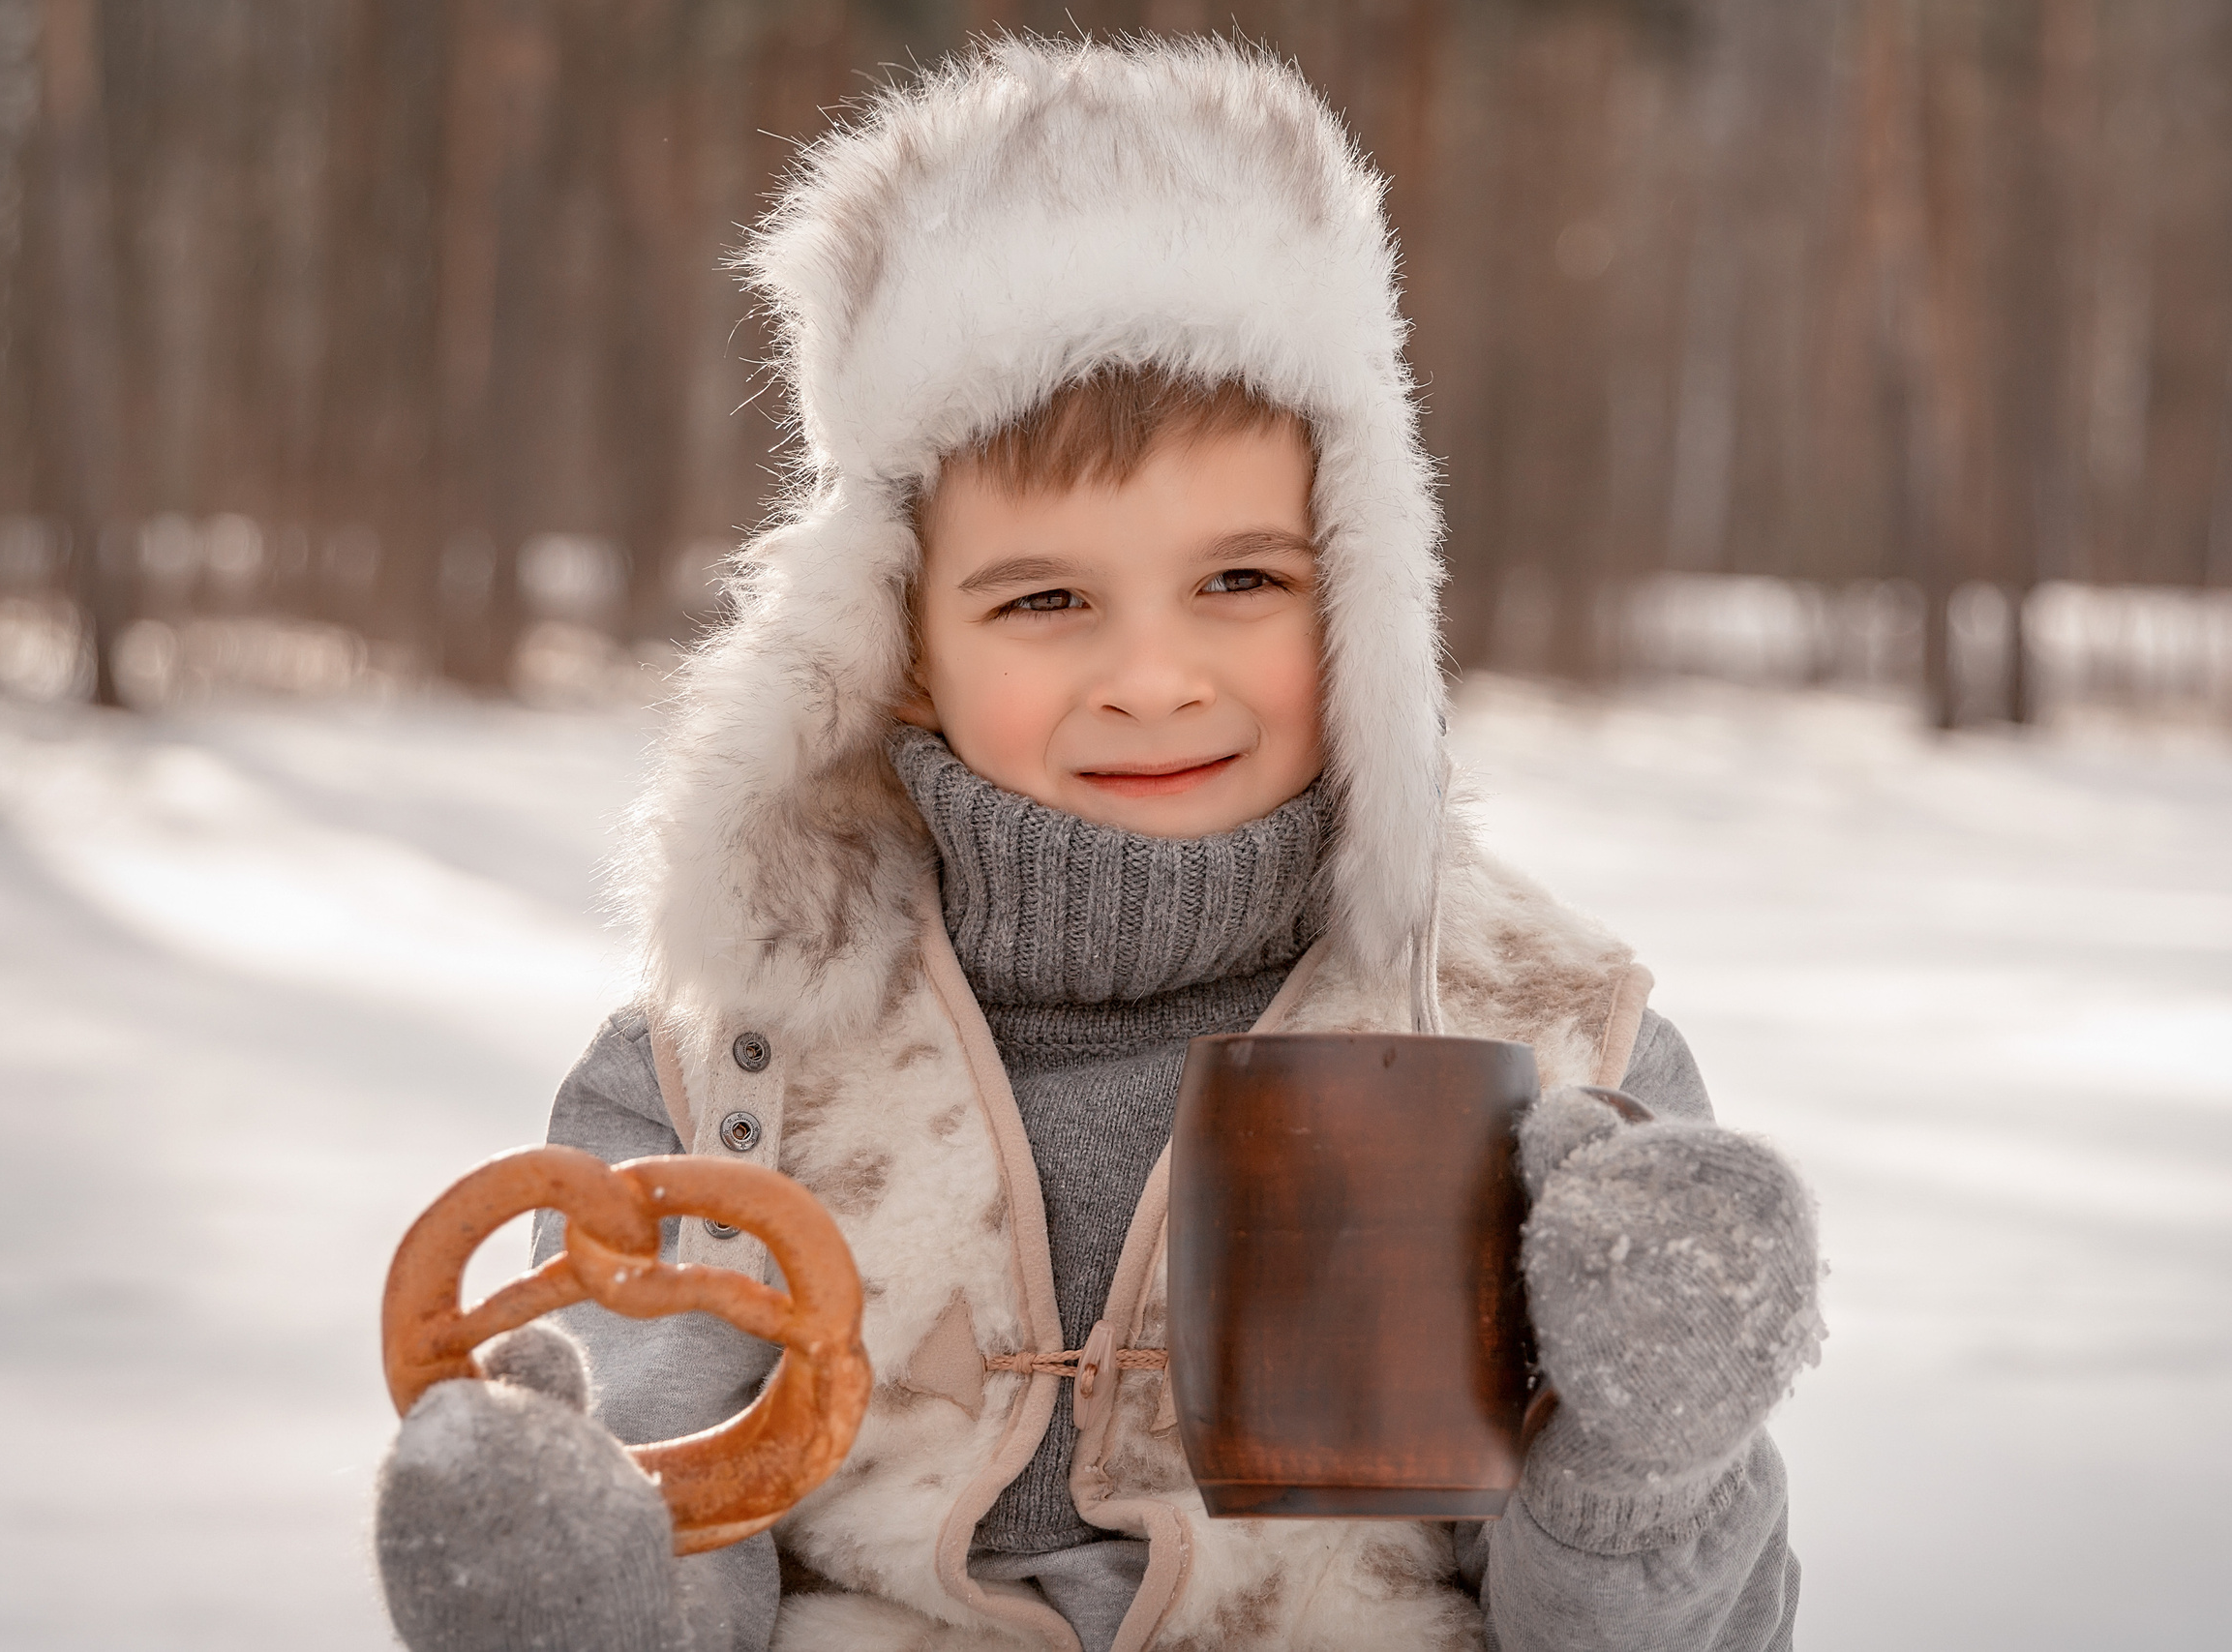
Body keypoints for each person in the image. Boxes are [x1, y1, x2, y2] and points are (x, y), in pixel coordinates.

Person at [375, 35, 1822, 1652]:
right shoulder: (728, 1091)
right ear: (898, 642)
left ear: (1359, 595)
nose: (1153, 678)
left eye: (1243, 582)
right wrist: (582, 1596)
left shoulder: (1552, 1059)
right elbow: (679, 1548)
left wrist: (1648, 1459)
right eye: (1047, 599)